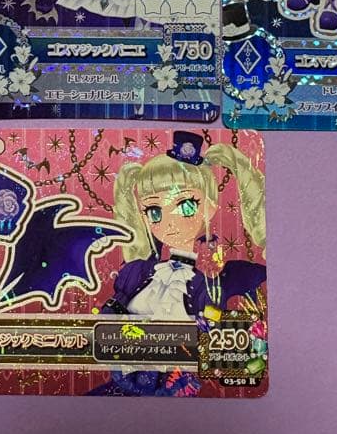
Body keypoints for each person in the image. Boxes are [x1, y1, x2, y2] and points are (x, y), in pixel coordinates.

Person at [88, 131, 265, 396]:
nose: (169, 222)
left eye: (185, 206)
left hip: (176, 392)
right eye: (154, 211)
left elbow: (224, 340)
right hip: (122, 385)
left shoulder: (209, 285)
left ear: (209, 208)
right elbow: (106, 323)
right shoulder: (138, 272)